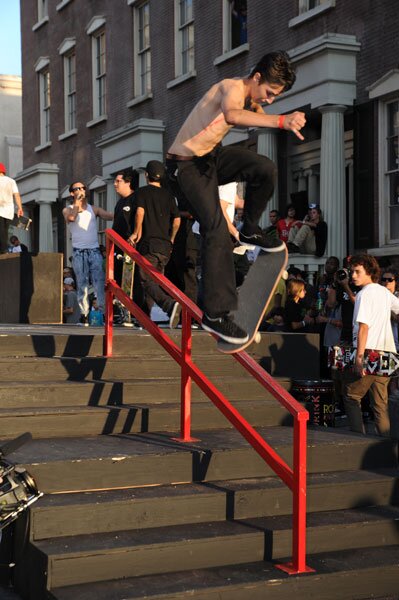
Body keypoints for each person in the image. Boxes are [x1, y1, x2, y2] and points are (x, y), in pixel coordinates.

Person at [166, 50, 305, 344]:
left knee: (264, 168)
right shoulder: (230, 87)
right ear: (256, 77)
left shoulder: (252, 97)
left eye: (275, 96)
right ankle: (215, 315)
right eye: (269, 92)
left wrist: (282, 120)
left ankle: (250, 229)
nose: (269, 99)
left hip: (211, 158)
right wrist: (282, 121)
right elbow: (232, 114)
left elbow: (256, 116)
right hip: (186, 166)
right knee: (215, 227)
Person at [343, 254, 399, 437]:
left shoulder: (363, 294)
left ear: (369, 272)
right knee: (380, 404)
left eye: (357, 271)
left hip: (369, 353)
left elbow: (364, 327)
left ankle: (357, 441)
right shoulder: (384, 292)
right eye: (352, 271)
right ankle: (386, 448)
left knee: (352, 396)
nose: (353, 276)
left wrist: (359, 358)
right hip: (387, 354)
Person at [128, 160, 181, 328]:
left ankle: (169, 305)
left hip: (149, 243)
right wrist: (171, 238)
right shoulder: (169, 195)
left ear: (146, 175)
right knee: (154, 282)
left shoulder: (142, 193)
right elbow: (177, 220)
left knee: (145, 280)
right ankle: (145, 317)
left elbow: (140, 212)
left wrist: (136, 233)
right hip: (165, 246)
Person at [62, 181, 114, 326]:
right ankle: (84, 315)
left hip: (94, 251)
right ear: (72, 193)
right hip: (79, 252)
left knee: (99, 283)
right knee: (82, 283)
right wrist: (77, 201)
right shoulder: (68, 209)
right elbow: (71, 218)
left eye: (83, 188)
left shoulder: (93, 209)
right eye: (77, 189)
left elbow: (109, 216)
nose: (81, 190)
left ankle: (104, 314)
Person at [0, 162, 23, 254]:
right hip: (9, 211)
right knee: (5, 232)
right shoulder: (11, 181)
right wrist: (20, 208)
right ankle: (4, 250)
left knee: (1, 232)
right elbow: (16, 195)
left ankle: (2, 251)